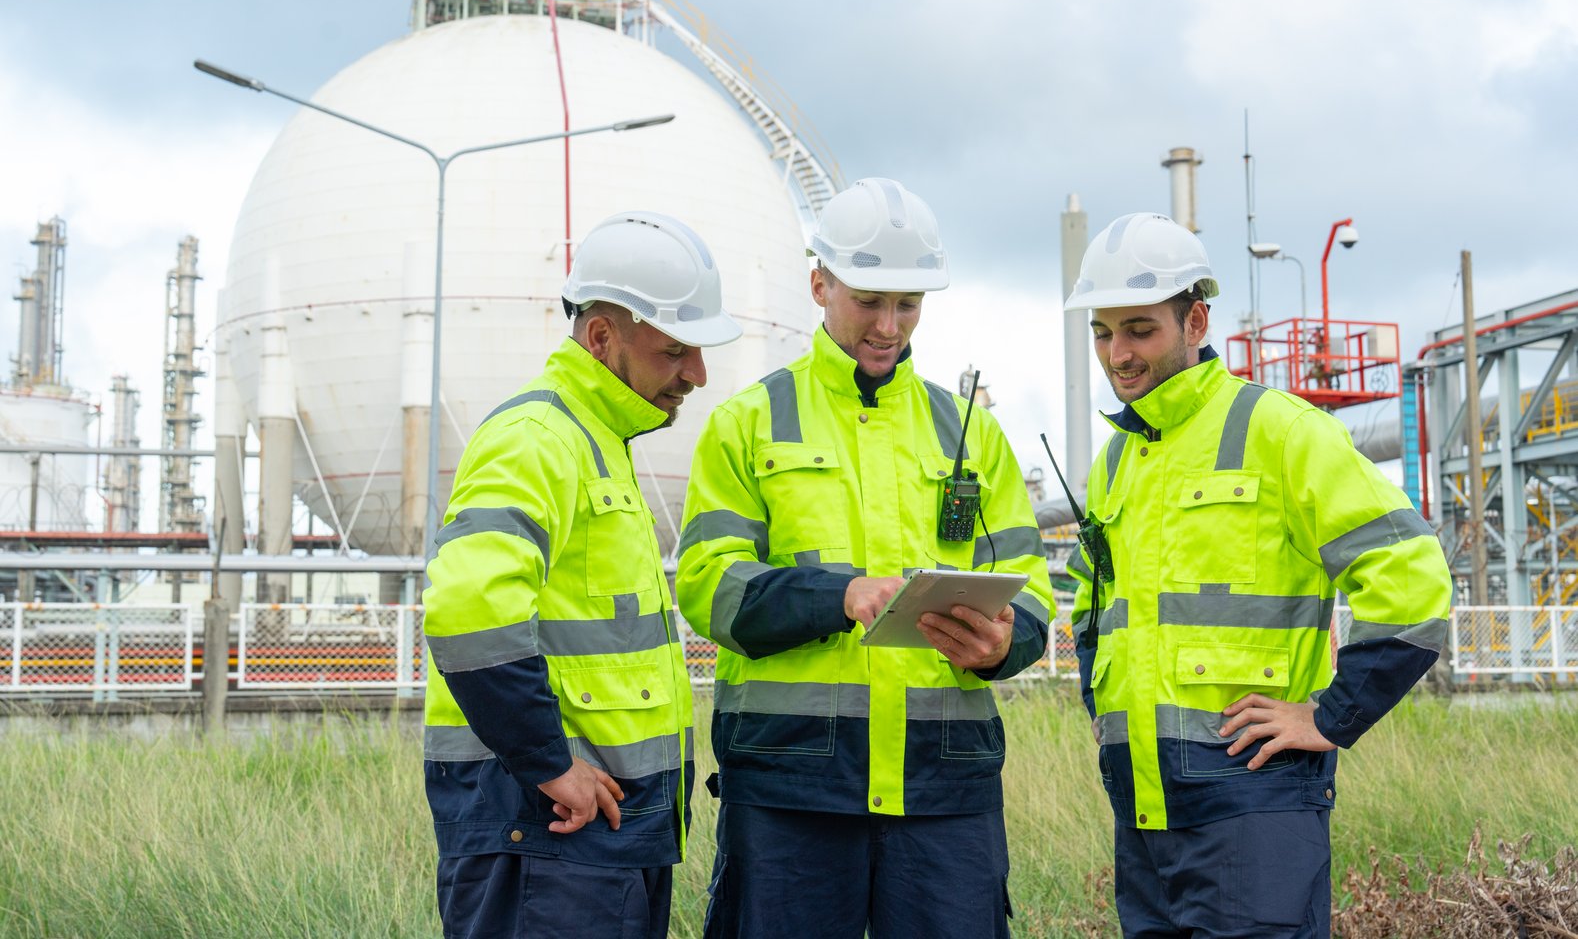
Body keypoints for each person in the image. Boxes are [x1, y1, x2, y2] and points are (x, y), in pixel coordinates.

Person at [676, 178, 1055, 939]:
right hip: (793, 791)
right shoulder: (748, 423)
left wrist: (1008, 641)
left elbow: (1034, 592)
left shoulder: (971, 432)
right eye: (869, 301)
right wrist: (840, 596)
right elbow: (708, 587)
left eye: (908, 304)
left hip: (943, 790)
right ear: (820, 284)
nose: (889, 326)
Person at [1063, 212, 1453, 938]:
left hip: (1254, 809)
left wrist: (1330, 717)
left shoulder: (1280, 429)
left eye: (1140, 329)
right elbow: (1094, 610)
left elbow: (1411, 575)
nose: (1118, 353)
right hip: (1142, 815)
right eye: (1102, 330)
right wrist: (1101, 709)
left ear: (1196, 319)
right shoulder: (1115, 463)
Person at [421, 211, 742, 939]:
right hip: (545, 831)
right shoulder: (538, 438)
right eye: (675, 350)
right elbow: (467, 608)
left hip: (594, 836)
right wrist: (548, 760)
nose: (696, 373)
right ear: (602, 337)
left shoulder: (598, 442)